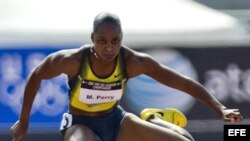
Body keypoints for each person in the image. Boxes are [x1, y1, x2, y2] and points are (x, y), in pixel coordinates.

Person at [11, 12, 243, 141]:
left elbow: (181, 81)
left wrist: (219, 108)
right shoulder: (73, 61)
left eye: (115, 42)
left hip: (116, 120)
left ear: (121, 39)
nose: (109, 48)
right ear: (93, 38)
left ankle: (153, 118)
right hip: (81, 123)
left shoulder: (132, 62)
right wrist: (24, 121)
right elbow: (36, 74)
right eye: (102, 41)